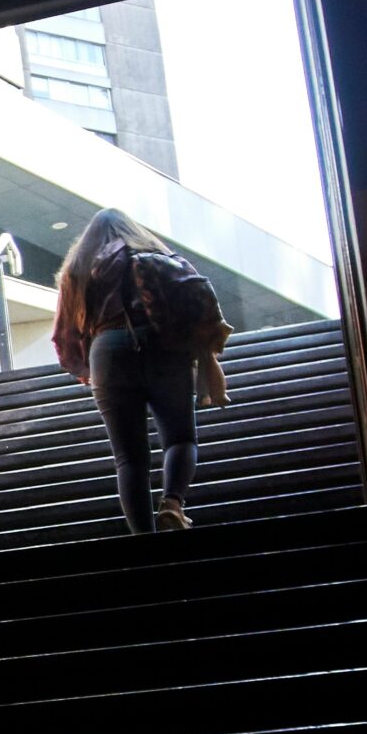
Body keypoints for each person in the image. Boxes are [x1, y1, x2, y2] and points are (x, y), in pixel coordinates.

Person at [50, 208, 232, 534]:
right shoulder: (155, 255)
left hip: (106, 351)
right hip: (164, 345)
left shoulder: (77, 271)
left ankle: (143, 540)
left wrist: (85, 368)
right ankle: (172, 504)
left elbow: (63, 336)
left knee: (129, 458)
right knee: (179, 438)